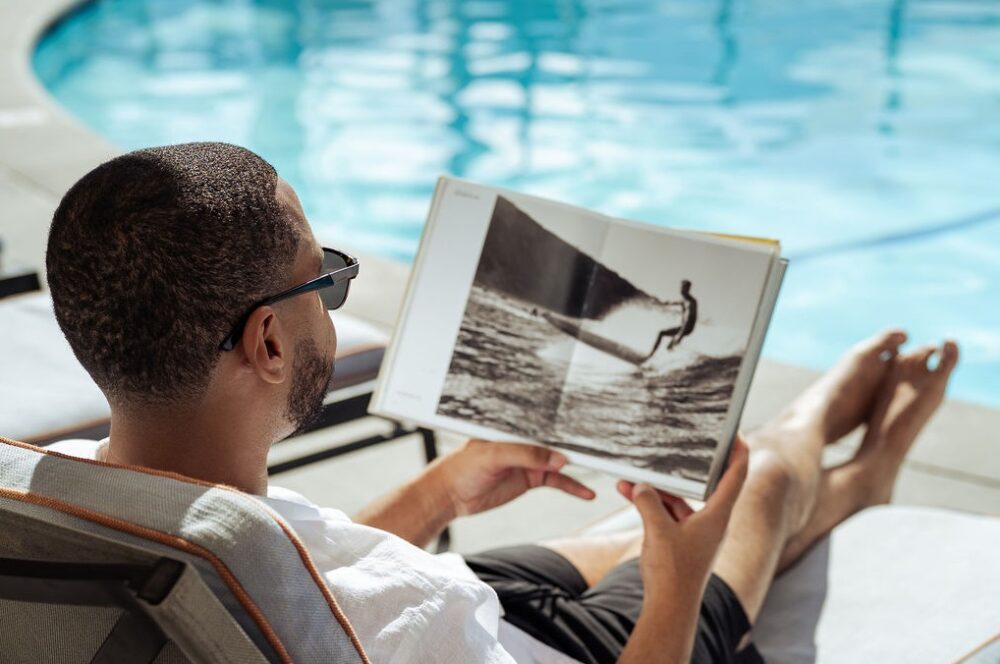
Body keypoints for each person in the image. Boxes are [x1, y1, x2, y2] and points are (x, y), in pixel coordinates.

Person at [44, 143, 958, 664]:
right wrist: (680, 578)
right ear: (269, 344)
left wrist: (443, 493)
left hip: (486, 609)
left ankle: (844, 480)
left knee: (614, 544)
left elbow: (294, 585)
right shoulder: (421, 609)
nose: (333, 298)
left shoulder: (68, 500)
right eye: (325, 279)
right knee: (752, 489)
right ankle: (838, 452)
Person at [644, 279, 697, 361]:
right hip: (683, 327)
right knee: (669, 345)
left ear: (687, 289)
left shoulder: (691, 303)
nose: (681, 289)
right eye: (681, 287)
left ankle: (650, 356)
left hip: (687, 328)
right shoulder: (683, 300)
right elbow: (671, 302)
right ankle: (668, 360)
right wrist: (661, 303)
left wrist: (680, 334)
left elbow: (689, 319)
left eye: (683, 288)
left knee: (661, 333)